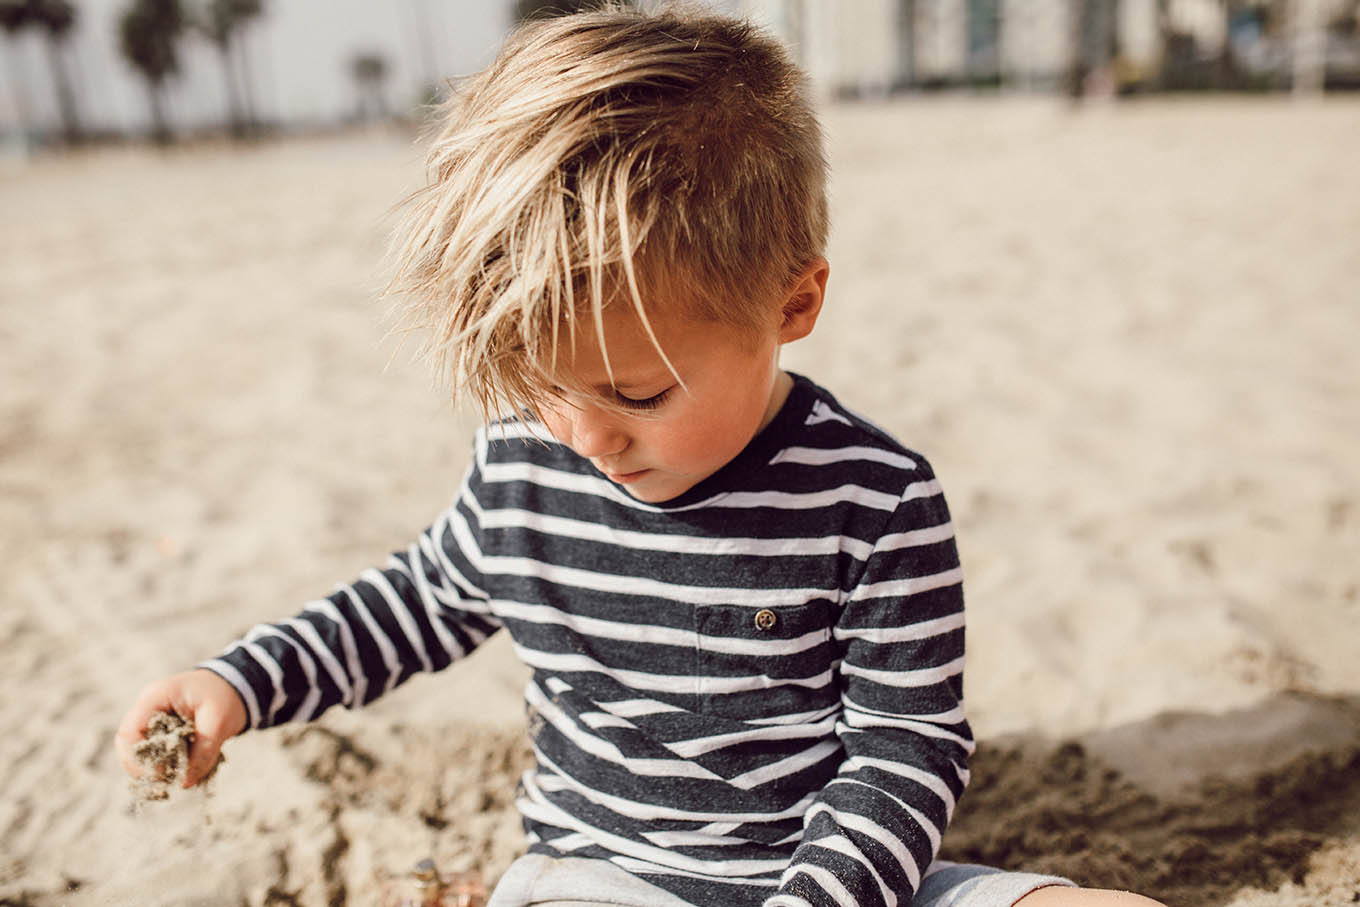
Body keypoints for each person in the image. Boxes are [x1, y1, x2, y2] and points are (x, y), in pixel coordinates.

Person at [116, 7, 1166, 907]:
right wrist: (239, 682)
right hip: (601, 875)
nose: (585, 434)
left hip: (836, 881)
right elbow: (409, 608)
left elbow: (906, 748)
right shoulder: (525, 466)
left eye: (636, 392)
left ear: (791, 302)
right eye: (540, 386)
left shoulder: (875, 502)